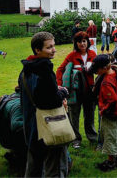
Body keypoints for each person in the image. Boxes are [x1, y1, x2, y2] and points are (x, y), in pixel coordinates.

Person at [17, 32, 69, 177]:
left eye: (54, 46)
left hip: (31, 127)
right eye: (49, 47)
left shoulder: (26, 68)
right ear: (37, 50)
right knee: (54, 167)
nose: (54, 50)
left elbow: (34, 94)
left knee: (34, 167)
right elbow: (51, 101)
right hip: (48, 127)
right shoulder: (44, 70)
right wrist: (63, 92)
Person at [56, 31, 98, 149]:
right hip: (74, 92)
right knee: (74, 115)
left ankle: (92, 137)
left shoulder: (93, 54)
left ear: (87, 42)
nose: (82, 44)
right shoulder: (72, 56)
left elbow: (99, 70)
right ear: (76, 43)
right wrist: (60, 85)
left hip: (90, 91)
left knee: (89, 115)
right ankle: (75, 139)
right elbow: (60, 70)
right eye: (79, 41)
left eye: (84, 41)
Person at [91, 54, 117, 172]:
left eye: (97, 69)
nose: (96, 72)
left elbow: (112, 99)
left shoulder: (106, 81)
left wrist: (103, 110)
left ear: (105, 67)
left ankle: (111, 162)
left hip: (111, 114)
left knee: (110, 137)